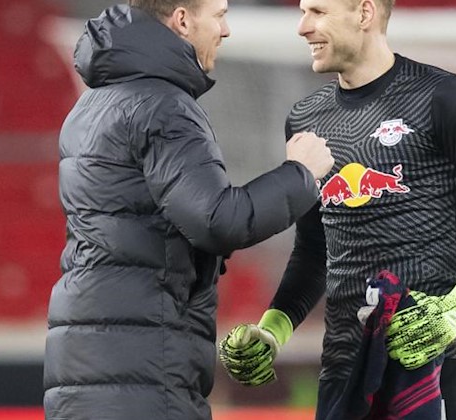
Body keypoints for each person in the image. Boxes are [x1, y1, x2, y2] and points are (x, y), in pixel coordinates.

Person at [219, 0, 456, 419]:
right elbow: (315, 250)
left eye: (317, 12)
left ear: (365, 13)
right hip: (343, 366)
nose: (302, 27)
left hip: (439, 361)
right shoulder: (305, 119)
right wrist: (273, 329)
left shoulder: (443, 97)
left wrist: (455, 310)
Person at [42, 0, 334, 418]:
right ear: (182, 19)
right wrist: (302, 173)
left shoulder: (91, 106)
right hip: (141, 372)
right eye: (219, 15)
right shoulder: (162, 107)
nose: (226, 30)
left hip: (87, 368)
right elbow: (217, 220)